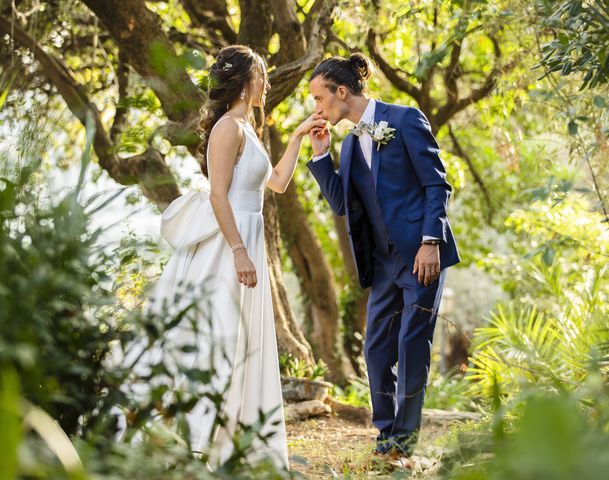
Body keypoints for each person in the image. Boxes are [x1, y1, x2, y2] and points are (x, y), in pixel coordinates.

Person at [149, 44, 325, 469]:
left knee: (244, 341)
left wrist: (300, 135)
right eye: (261, 75)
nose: (266, 82)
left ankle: (236, 444)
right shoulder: (227, 128)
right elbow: (217, 193)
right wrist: (239, 251)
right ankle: (195, 442)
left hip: (249, 237)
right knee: (220, 340)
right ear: (246, 82)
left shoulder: (249, 130)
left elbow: (278, 183)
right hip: (228, 247)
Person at [306, 53, 460, 462]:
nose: (316, 108)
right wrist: (322, 157)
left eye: (319, 98)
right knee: (375, 349)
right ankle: (386, 434)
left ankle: (404, 445)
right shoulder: (348, 142)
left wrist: (431, 242)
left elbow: (437, 186)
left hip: (422, 254)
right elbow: (343, 203)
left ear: (342, 92)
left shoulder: (406, 119)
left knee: (412, 344)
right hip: (384, 262)